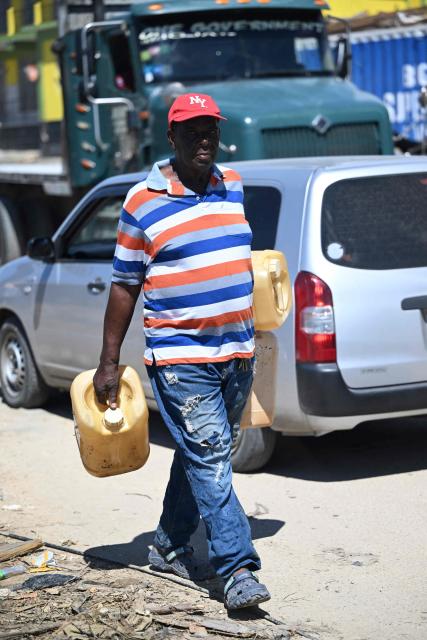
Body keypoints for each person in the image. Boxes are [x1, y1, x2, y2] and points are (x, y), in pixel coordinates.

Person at [93, 93, 271, 610]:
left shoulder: (231, 185)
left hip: (237, 353)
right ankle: (237, 569)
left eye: (210, 128)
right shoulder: (141, 201)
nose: (204, 139)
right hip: (180, 359)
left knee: (200, 457)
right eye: (192, 130)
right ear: (170, 138)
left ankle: (169, 543)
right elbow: (125, 285)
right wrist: (109, 360)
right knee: (214, 457)